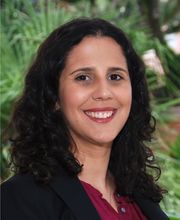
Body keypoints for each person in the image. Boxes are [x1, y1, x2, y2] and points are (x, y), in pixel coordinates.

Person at [1, 18, 169, 220]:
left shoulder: (140, 194)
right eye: (83, 77)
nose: (104, 93)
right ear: (54, 96)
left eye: (115, 76)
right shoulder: (19, 199)